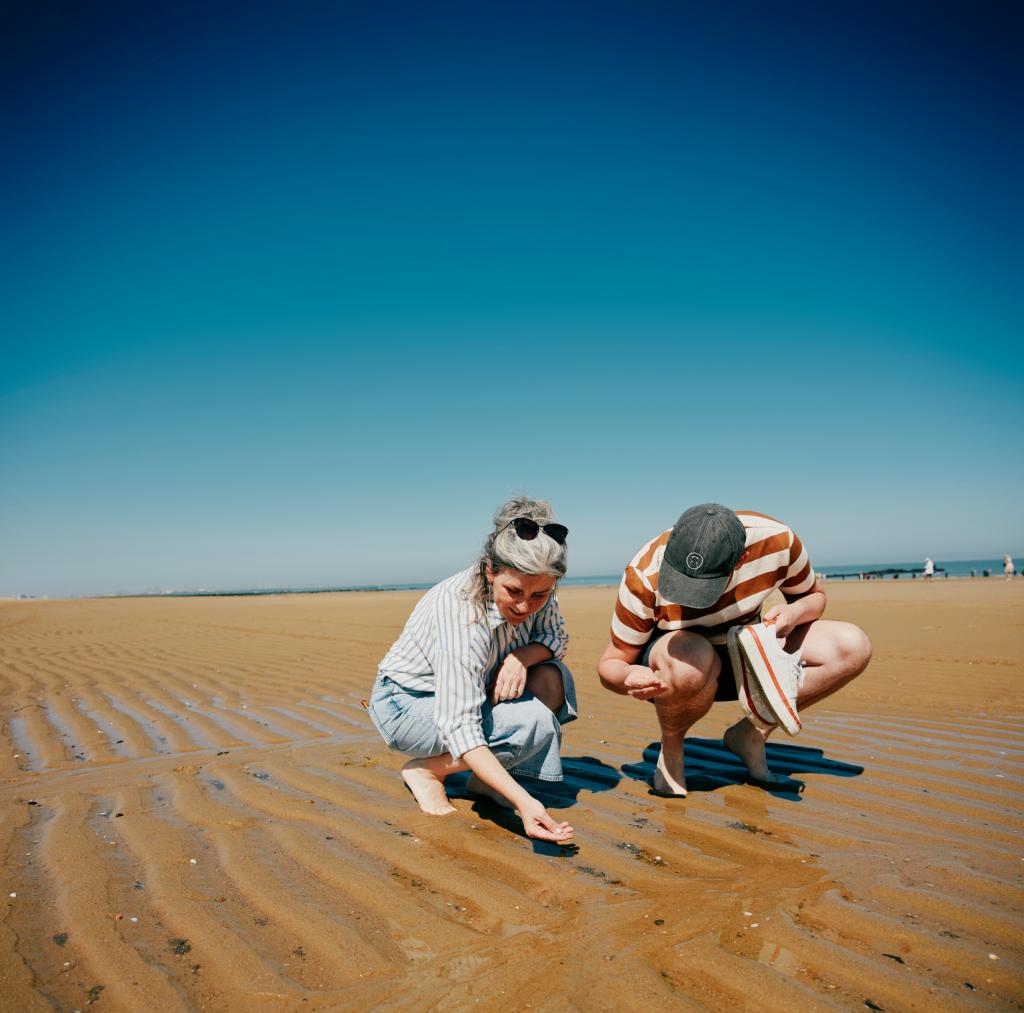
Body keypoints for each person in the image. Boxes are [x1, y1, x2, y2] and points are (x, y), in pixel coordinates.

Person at [597, 504, 873, 796]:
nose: (690, 599)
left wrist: (794, 614)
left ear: (743, 559)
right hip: (680, 669)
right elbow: (612, 662)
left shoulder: (778, 541)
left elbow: (813, 597)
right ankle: (672, 746)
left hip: (748, 652)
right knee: (693, 655)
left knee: (852, 646)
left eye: (703, 587)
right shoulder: (644, 573)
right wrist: (628, 677)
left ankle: (752, 734)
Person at [368, 496, 577, 842]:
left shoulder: (539, 584)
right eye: (514, 591)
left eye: (540, 595)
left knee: (553, 678)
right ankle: (426, 772)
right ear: (490, 571)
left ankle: (483, 779)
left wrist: (520, 658)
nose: (526, 605)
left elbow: (557, 637)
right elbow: (459, 724)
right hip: (407, 703)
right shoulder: (462, 612)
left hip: (474, 689)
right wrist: (525, 804)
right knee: (533, 723)